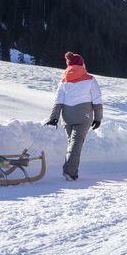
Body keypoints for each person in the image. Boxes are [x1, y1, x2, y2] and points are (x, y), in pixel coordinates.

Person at [45, 52, 103, 181]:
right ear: (82, 64)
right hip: (84, 115)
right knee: (76, 143)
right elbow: (97, 100)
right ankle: (70, 172)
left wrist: (54, 117)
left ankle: (72, 171)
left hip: (67, 116)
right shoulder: (90, 79)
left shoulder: (64, 80)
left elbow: (58, 100)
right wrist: (98, 118)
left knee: (72, 142)